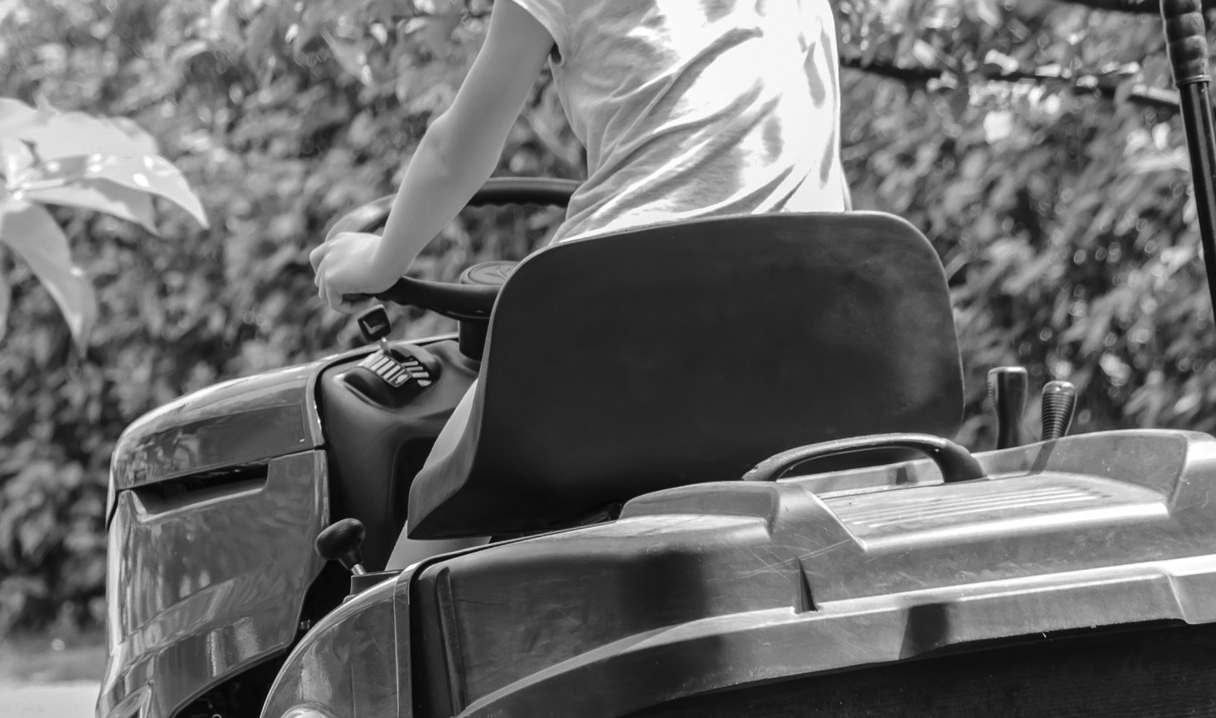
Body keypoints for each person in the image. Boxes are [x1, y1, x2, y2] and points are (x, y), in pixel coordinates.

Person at [311, 0, 851, 568]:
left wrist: (380, 262)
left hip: (624, 311)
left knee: (444, 507)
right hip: (814, 319)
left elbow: (456, 151)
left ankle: (391, 632)